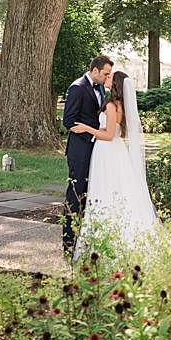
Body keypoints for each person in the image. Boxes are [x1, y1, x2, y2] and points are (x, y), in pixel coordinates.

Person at [68, 69, 161, 256]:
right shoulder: (121, 105)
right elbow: (119, 132)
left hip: (107, 151)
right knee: (118, 190)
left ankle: (105, 240)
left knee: (105, 189)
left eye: (110, 77)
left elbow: (109, 135)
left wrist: (87, 128)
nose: (106, 78)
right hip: (118, 151)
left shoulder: (111, 106)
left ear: (116, 84)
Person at [62, 55, 113, 257]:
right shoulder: (77, 87)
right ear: (95, 71)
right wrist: (93, 137)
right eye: (106, 74)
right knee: (75, 196)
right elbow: (69, 121)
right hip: (80, 151)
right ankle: (68, 242)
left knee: (90, 195)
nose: (107, 78)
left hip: (97, 152)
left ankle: (83, 238)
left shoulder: (100, 86)